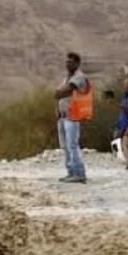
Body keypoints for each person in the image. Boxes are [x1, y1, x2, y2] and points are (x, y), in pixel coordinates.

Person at [54, 52, 91, 184]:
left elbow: (66, 90)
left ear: (77, 63)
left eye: (70, 62)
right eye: (67, 62)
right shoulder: (66, 78)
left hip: (72, 116)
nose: (67, 64)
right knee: (66, 146)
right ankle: (71, 172)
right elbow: (59, 94)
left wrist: (58, 93)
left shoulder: (79, 77)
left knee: (72, 145)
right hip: (63, 116)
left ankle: (79, 173)